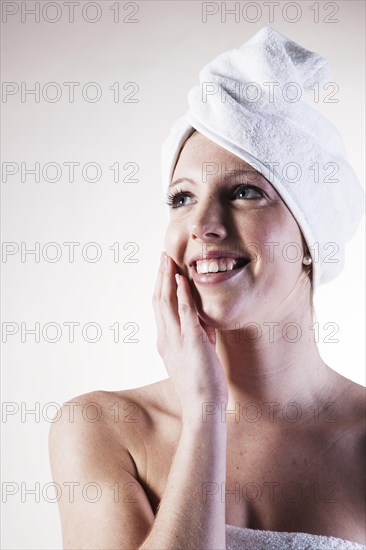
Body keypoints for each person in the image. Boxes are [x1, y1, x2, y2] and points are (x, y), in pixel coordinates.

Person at [49, 28, 366, 549]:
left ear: (312, 236)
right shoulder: (104, 429)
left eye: (244, 192)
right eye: (180, 198)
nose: (203, 224)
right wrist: (204, 412)